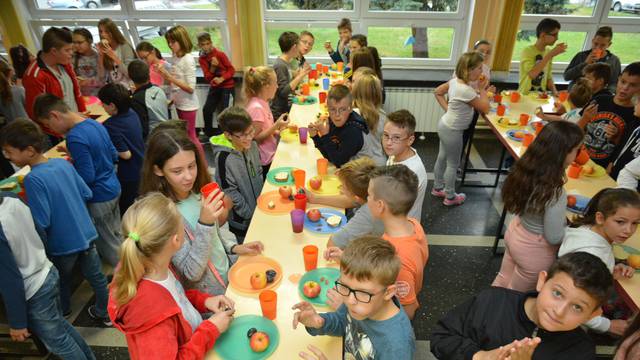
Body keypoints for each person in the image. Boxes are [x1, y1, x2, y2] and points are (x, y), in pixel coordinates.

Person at [0, 119, 111, 326]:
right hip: (86, 233)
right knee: (97, 277)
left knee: (61, 281)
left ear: (30, 151)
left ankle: (65, 310)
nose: (7, 157)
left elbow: (42, 220)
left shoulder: (33, 180)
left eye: (9, 151)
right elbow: (86, 192)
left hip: (63, 244)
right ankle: (106, 312)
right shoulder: (62, 163)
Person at [108, 192, 235, 359]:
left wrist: (204, 300)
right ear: (176, 240)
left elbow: (175, 298)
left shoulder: (155, 266)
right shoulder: (152, 317)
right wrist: (211, 329)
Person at [140, 128, 263, 296]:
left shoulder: (196, 193)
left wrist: (234, 248)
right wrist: (204, 222)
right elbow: (191, 272)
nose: (189, 176)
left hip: (228, 276)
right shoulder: (162, 216)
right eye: (177, 171)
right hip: (210, 295)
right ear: (158, 170)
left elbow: (214, 239)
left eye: (192, 166)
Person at [431, 252, 613, 360]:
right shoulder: (492, 301)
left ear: (593, 314)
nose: (559, 311)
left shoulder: (580, 351)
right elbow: (441, 337)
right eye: (557, 293)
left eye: (577, 307)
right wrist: (480, 356)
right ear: (542, 281)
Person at [0, 191, 96, 360]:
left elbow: (9, 279)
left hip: (33, 288)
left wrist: (17, 323)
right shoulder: (11, 197)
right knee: (61, 328)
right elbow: (40, 232)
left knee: (59, 342)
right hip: (46, 271)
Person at [492, 121, 584, 292]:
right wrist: (574, 230)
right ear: (563, 153)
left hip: (515, 233)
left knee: (502, 280)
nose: (578, 154)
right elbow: (554, 237)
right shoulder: (555, 192)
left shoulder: (527, 169)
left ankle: (484, 312)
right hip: (534, 251)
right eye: (577, 149)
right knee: (515, 299)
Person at [33, 94, 122, 268]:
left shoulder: (74, 137)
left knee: (109, 247)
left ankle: (129, 282)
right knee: (117, 235)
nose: (50, 129)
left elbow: (87, 177)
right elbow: (112, 154)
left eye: (47, 124)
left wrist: (67, 171)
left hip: (99, 197)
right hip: (113, 187)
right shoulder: (93, 123)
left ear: (55, 116)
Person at [293, 236, 415, 360]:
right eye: (344, 286)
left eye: (363, 292)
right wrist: (320, 323)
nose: (350, 301)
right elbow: (343, 322)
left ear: (388, 292)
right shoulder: (359, 302)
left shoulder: (397, 346)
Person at [559, 188, 640, 336]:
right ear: (600, 218)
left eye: (635, 223)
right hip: (570, 324)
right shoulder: (593, 253)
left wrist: (608, 273)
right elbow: (574, 299)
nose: (628, 230)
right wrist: (606, 325)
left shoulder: (588, 229)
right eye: (620, 222)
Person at [367, 165, 428, 320]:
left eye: (369, 195)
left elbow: (408, 309)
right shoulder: (413, 224)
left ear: (380, 206)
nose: (367, 199)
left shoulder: (396, 259)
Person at [433, 52, 490, 206]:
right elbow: (485, 108)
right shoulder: (467, 90)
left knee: (442, 157)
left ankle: (438, 188)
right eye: (479, 68)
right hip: (453, 130)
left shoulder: (454, 82)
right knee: (453, 163)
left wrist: (448, 110)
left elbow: (438, 92)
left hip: (445, 125)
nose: (482, 72)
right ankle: (450, 197)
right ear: (468, 70)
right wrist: (483, 89)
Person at [305, 157, 384, 249]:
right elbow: (351, 201)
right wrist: (315, 198)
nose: (340, 188)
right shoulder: (376, 190)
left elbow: (332, 245)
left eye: (343, 186)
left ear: (356, 197)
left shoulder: (367, 213)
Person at [23, 27, 86, 141]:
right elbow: (37, 115)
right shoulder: (34, 76)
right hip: (59, 135)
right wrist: (61, 133)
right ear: (54, 51)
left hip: (77, 125)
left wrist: (82, 115)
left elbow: (76, 92)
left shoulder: (65, 63)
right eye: (67, 50)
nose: (71, 53)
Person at [211, 107, 264, 241]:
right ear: (228, 135)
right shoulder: (224, 158)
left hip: (260, 209)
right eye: (243, 135)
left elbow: (258, 171)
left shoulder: (252, 145)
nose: (249, 137)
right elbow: (228, 191)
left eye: (251, 131)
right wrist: (248, 213)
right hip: (242, 220)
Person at [580, 62, 640, 170]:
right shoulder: (600, 100)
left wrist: (615, 136)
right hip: (580, 158)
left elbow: (623, 150)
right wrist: (584, 118)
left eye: (633, 85)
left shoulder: (635, 115)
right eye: (623, 82)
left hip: (602, 168)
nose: (625, 88)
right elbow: (577, 129)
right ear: (618, 79)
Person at [97, 83, 145, 215]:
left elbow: (125, 154)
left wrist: (105, 146)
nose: (102, 106)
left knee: (126, 208)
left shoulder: (111, 125)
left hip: (129, 173)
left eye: (103, 104)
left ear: (112, 105)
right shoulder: (132, 113)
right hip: (141, 164)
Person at [158, 25, 202, 153]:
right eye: (169, 42)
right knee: (186, 135)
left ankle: (203, 167)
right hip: (180, 103)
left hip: (188, 104)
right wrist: (164, 74)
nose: (170, 45)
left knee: (191, 137)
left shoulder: (187, 59)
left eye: (173, 42)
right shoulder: (176, 57)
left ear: (182, 41)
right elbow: (176, 81)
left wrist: (169, 77)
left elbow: (190, 88)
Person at [309, 84, 375, 168]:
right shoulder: (333, 121)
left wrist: (325, 136)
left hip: (362, 175)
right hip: (348, 171)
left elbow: (338, 162)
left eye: (342, 109)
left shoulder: (353, 131)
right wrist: (315, 137)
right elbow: (330, 156)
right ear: (327, 108)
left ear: (350, 108)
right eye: (333, 109)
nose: (337, 115)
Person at [243, 66, 289, 176]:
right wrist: (276, 125)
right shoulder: (256, 108)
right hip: (263, 160)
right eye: (275, 83)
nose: (277, 86)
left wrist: (278, 131)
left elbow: (266, 129)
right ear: (266, 86)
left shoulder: (263, 102)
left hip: (269, 154)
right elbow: (255, 139)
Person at [383, 109, 427, 221]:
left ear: (410, 140)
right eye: (386, 135)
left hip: (401, 227)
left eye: (396, 138)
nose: (388, 143)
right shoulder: (396, 153)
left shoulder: (409, 172)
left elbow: (391, 206)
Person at [198, 32, 235, 138]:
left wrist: (222, 78)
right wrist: (213, 67)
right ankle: (209, 135)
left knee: (227, 113)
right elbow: (208, 77)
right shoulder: (202, 59)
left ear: (211, 43)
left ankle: (227, 136)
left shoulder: (220, 54)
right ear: (199, 45)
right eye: (203, 44)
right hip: (215, 87)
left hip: (227, 86)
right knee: (207, 110)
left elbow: (231, 70)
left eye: (207, 43)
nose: (206, 47)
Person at [564, 26, 621, 94]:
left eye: (602, 45)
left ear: (609, 45)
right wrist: (585, 64)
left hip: (599, 97)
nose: (597, 47)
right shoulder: (581, 56)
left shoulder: (614, 61)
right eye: (595, 44)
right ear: (592, 40)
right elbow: (567, 76)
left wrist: (606, 95)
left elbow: (614, 83)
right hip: (577, 95)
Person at [518, 18, 566, 95]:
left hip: (541, 97)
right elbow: (533, 74)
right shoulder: (527, 51)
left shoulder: (548, 51)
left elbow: (548, 77)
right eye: (554, 35)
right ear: (543, 35)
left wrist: (555, 92)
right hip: (525, 95)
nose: (557, 38)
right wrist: (550, 55)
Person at [271, 31, 310, 120]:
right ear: (294, 47)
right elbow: (283, 92)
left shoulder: (285, 62)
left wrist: (294, 92)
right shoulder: (280, 65)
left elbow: (284, 86)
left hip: (284, 108)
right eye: (299, 45)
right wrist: (301, 75)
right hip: (279, 112)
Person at [351, 69, 387, 165]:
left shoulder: (352, 115)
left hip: (360, 167)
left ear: (356, 91)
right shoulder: (383, 116)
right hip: (380, 163)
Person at [128, 59, 169, 138]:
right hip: (166, 134)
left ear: (130, 77)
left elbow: (142, 129)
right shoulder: (159, 89)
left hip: (153, 140)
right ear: (148, 73)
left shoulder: (137, 99)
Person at [98, 18, 136, 87]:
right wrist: (101, 56)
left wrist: (114, 57)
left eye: (106, 31)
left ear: (113, 32)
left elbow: (130, 74)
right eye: (101, 31)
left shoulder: (125, 47)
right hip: (115, 90)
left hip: (130, 87)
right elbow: (101, 78)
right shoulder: (104, 48)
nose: (103, 35)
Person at [72, 28, 103, 96]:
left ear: (90, 41)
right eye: (74, 42)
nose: (76, 45)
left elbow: (102, 78)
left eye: (80, 42)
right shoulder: (72, 57)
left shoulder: (99, 56)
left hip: (98, 97)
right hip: (80, 97)